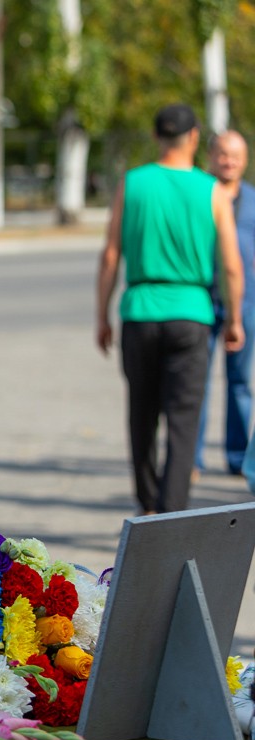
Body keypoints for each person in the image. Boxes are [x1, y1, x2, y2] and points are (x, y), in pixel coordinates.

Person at [96, 103, 244, 515]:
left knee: (141, 417)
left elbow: (111, 255)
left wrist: (101, 316)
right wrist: (233, 320)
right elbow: (231, 264)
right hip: (192, 311)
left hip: (140, 310)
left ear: (157, 137)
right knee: (183, 422)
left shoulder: (133, 182)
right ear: (195, 137)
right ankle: (173, 515)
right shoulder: (211, 189)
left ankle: (147, 507)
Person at [196, 131, 255, 477]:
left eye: (235, 155)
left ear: (245, 160)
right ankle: (193, 459)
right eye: (222, 154)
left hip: (245, 303)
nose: (228, 161)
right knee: (196, 384)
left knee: (240, 383)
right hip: (203, 299)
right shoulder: (199, 194)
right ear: (210, 156)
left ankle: (237, 457)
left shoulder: (252, 199)